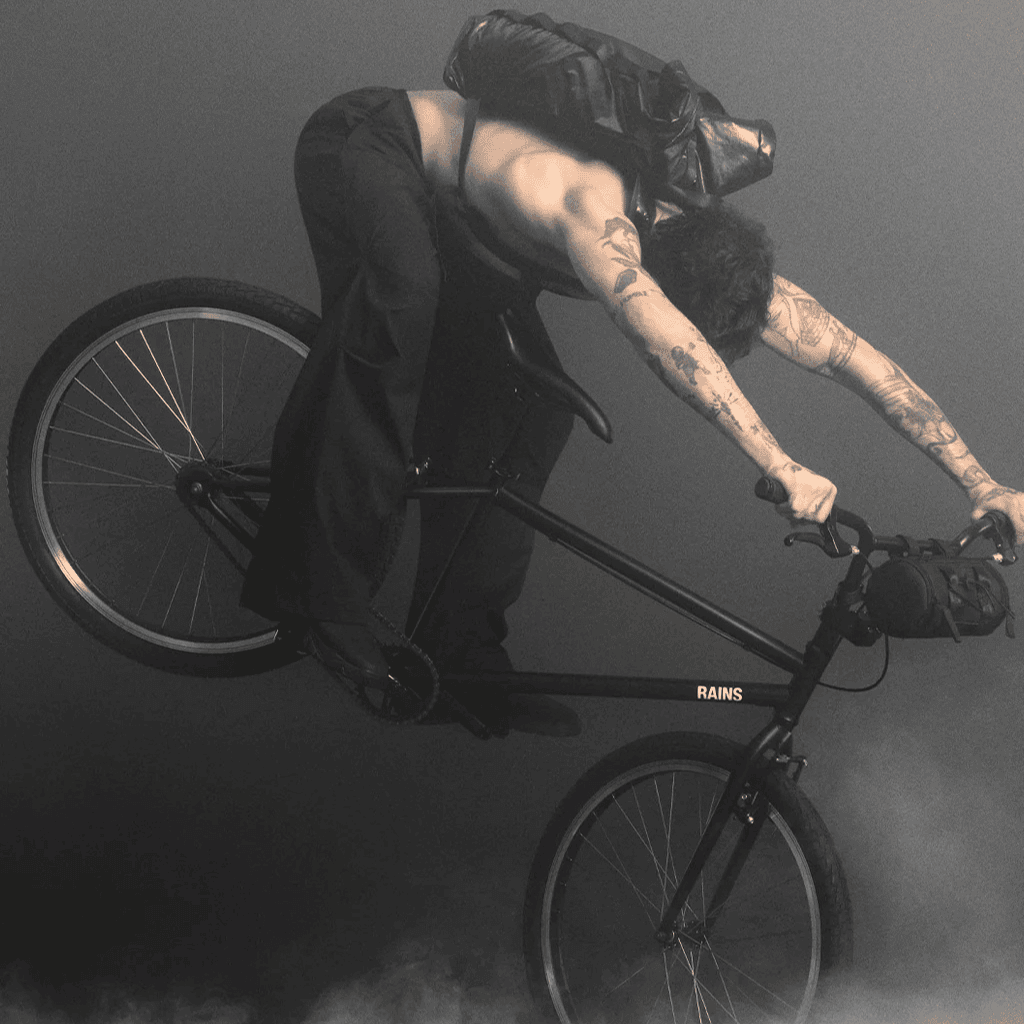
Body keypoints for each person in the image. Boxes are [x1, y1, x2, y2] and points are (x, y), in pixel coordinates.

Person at [241, 85, 1024, 730]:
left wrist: (981, 482)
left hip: (468, 229)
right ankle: (318, 600)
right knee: (399, 319)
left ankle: (460, 660)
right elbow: (672, 351)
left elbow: (865, 365)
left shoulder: (715, 248)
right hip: (375, 145)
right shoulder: (598, 221)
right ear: (662, 285)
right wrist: (777, 463)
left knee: (534, 412)